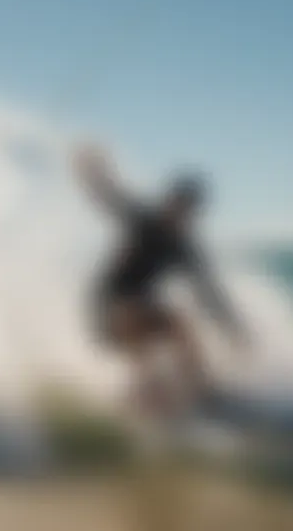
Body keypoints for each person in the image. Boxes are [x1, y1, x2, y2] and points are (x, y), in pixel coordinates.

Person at [71, 141, 251, 415]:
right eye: (177, 205)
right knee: (132, 310)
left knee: (181, 323)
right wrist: (90, 170)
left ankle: (203, 395)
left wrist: (233, 327)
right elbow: (109, 195)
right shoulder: (143, 219)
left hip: (141, 313)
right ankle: (143, 393)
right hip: (107, 315)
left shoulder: (183, 247)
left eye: (188, 211)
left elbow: (209, 292)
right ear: (169, 201)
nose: (180, 215)